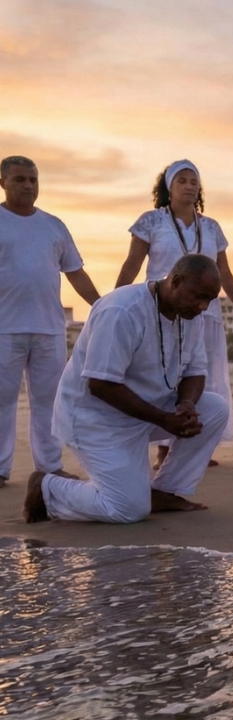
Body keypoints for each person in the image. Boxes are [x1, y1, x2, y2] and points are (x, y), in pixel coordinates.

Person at [24, 254, 228, 524]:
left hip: (145, 412)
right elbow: (101, 385)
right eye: (199, 296)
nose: (203, 306)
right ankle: (48, 488)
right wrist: (163, 418)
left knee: (214, 409)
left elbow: (195, 371)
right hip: (95, 420)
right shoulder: (121, 310)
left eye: (210, 300)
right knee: (128, 509)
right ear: (176, 281)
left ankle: (164, 491)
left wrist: (186, 406)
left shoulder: (190, 315)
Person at [116, 160, 233, 468]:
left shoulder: (212, 226)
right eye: (182, 180)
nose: (190, 186)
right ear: (168, 187)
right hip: (164, 311)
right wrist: (111, 303)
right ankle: (164, 448)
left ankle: (197, 445)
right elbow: (132, 265)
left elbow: (225, 274)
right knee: (167, 375)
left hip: (207, 313)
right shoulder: (151, 222)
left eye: (194, 181)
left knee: (207, 377)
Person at [0, 156, 100, 489]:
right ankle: (1, 470)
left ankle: (49, 467)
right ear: (3, 182)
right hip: (4, 328)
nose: (28, 185)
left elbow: (75, 273)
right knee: (2, 399)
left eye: (33, 179)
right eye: (19, 180)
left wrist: (101, 307)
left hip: (49, 328)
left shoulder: (54, 226)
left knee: (49, 402)